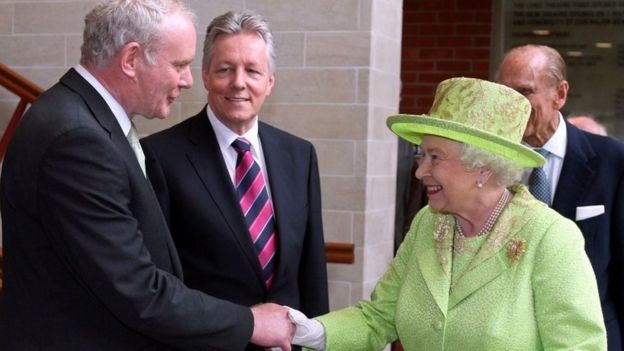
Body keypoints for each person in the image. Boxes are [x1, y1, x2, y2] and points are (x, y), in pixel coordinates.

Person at [0, 1, 294, 350]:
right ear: (131, 59)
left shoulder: (85, 120)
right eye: (180, 65)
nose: (187, 80)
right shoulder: (77, 138)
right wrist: (251, 322)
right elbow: (138, 290)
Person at [287, 77, 607, 350]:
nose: (419, 171)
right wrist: (311, 332)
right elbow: (380, 315)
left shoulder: (549, 237)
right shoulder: (429, 223)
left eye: (435, 157)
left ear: (482, 167)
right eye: (420, 154)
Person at [140, 10, 328, 350]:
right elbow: (159, 281)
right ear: (206, 76)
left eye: (252, 71)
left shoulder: (300, 156)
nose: (239, 82)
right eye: (225, 69)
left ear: (270, 81)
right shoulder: (160, 157)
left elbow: (311, 274)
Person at [497, 44, 624, 351]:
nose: (512, 104)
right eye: (504, 92)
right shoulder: (487, 163)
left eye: (524, 91)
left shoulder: (612, 160)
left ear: (560, 94)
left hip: (589, 337)